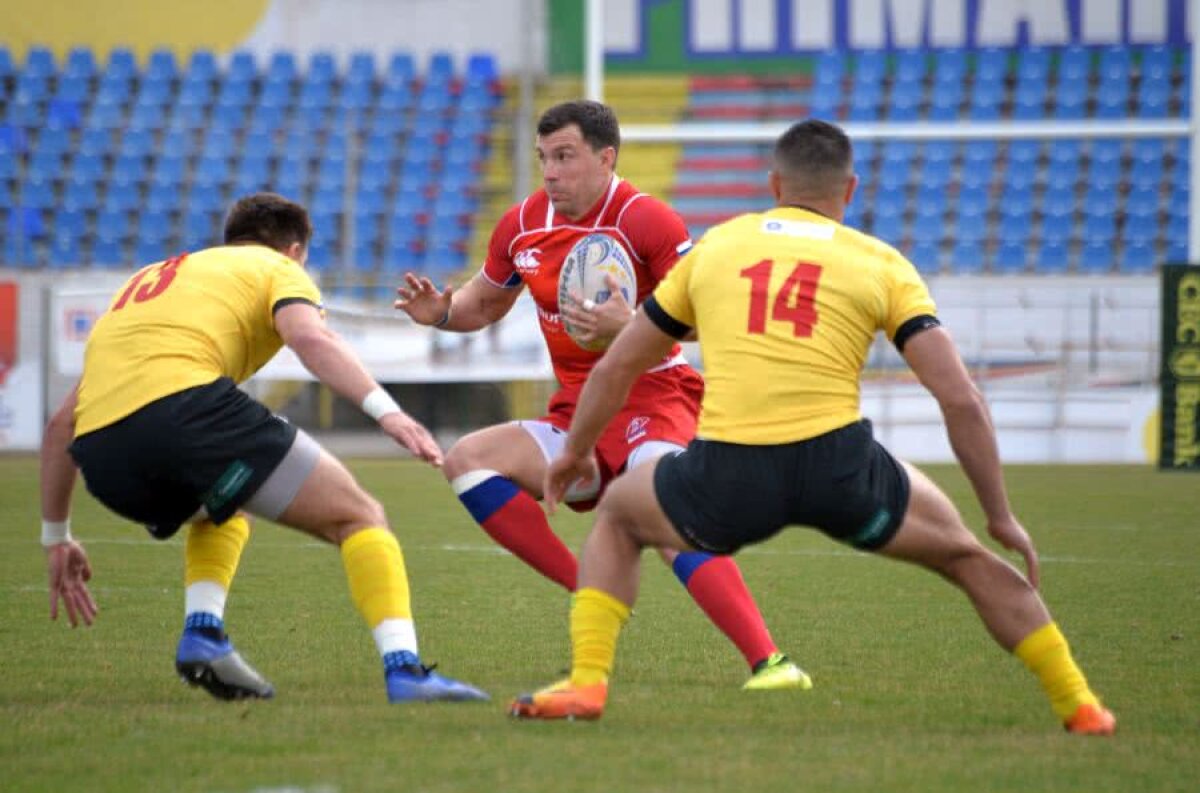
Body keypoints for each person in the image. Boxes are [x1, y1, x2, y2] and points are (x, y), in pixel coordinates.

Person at [511, 119, 1116, 736]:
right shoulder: (880, 262)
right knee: (969, 558)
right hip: (840, 469)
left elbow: (618, 364)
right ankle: (1081, 706)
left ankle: (587, 684)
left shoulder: (721, 245)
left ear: (774, 183)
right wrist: (1000, 515)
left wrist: (575, 452)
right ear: (849, 190)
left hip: (730, 472)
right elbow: (960, 399)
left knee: (617, 516)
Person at [395, 100, 808, 690]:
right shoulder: (521, 225)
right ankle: (589, 587)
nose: (550, 172)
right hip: (579, 412)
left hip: (655, 399)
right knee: (467, 461)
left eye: (564, 157)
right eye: (543, 159)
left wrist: (634, 325)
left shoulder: (648, 220)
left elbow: (710, 316)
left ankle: (772, 662)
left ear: (605, 157)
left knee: (669, 512)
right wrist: (441, 314)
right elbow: (482, 304)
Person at [40, 192, 488, 704]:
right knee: (360, 516)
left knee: (223, 505)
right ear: (295, 250)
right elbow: (312, 340)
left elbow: (60, 425)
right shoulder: (276, 267)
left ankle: (204, 635)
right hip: (185, 416)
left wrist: (57, 537)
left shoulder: (157, 279)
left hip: (105, 460)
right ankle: (406, 671)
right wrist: (390, 413)